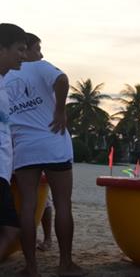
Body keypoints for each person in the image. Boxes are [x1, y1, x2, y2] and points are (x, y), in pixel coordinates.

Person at [4, 33, 84, 277]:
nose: (41, 54)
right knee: (63, 204)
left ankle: (31, 267)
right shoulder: (39, 66)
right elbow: (62, 79)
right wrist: (60, 110)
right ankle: (65, 264)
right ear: (26, 49)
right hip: (53, 142)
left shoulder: (5, 76)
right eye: (37, 48)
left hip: (24, 147)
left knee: (28, 206)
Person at [0, 23, 26, 261]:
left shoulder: (4, 84)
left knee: (10, 229)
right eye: (19, 49)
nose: (23, 55)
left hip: (3, 171)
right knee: (11, 229)